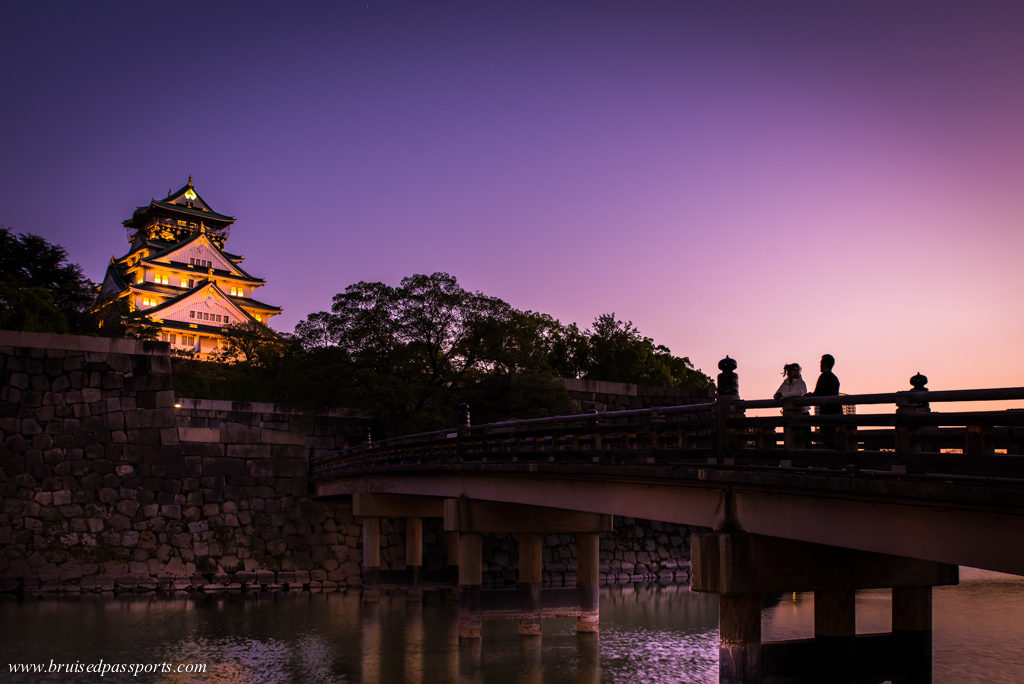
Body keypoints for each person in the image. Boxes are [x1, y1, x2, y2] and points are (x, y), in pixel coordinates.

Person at [809, 354, 841, 447]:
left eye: (821, 362)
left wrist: (808, 396)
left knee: (828, 439)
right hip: (837, 411)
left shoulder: (823, 377)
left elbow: (818, 394)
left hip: (827, 412)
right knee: (835, 438)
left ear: (824, 363)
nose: (820, 365)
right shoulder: (835, 378)